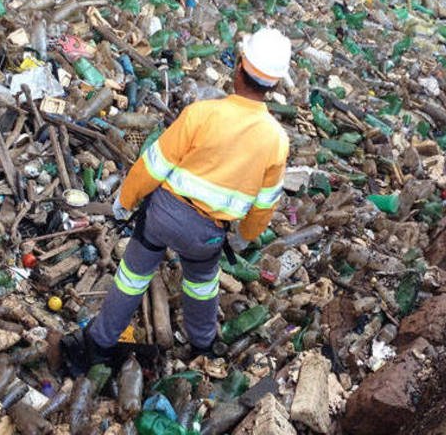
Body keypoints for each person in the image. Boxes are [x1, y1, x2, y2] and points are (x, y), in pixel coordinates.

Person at [85, 28, 292, 360]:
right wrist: (245, 235)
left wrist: (125, 201)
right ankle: (203, 346)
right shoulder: (276, 140)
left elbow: (152, 166)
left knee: (132, 277)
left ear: (238, 67)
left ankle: (99, 343)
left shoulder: (202, 114)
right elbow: (265, 204)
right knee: (201, 285)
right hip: (207, 235)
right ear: (276, 85)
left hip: (163, 216)